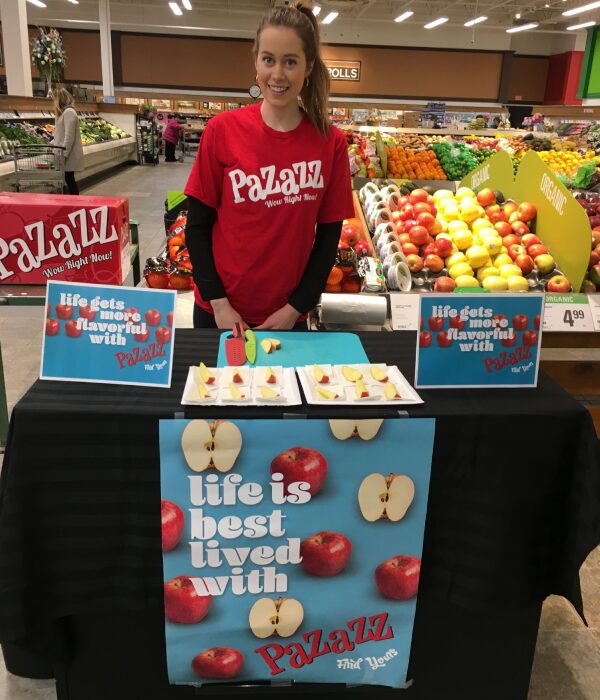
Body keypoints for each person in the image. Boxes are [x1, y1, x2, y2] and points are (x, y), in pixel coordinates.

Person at [184, 2, 354, 330]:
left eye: (290, 62)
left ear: (308, 67)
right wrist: (219, 303)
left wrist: (295, 309)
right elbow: (197, 227)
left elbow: (328, 238)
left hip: (287, 317)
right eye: (268, 60)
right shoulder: (221, 131)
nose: (277, 75)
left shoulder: (330, 143)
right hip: (218, 313)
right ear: (256, 63)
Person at [53, 87, 84, 195]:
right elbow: (60, 134)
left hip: (68, 154)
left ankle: (75, 203)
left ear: (59, 99)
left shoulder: (69, 112)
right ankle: (74, 202)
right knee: (69, 178)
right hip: (65, 152)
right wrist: (52, 144)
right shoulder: (65, 112)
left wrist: (64, 154)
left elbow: (69, 136)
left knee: (69, 179)